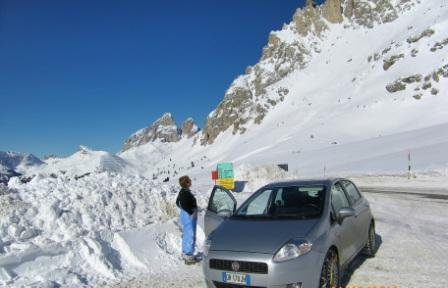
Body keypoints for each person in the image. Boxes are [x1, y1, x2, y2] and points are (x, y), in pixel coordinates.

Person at [176, 175, 198, 264]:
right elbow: (184, 204)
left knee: (187, 234)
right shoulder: (186, 193)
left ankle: (185, 253)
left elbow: (177, 202)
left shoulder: (182, 191)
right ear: (187, 183)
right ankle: (189, 257)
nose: (191, 181)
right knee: (190, 234)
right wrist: (190, 212)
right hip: (189, 215)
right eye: (189, 180)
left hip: (184, 214)